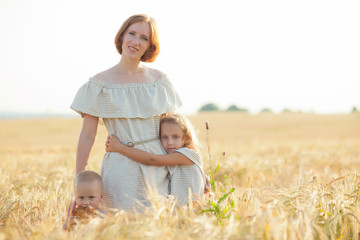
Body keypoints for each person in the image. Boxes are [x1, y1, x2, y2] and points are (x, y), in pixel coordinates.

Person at [70, 14, 182, 212]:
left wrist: (193, 167)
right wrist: (79, 181)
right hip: (119, 170)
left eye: (144, 38)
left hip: (158, 167)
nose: (136, 42)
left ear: (150, 46)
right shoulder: (99, 84)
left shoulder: (159, 81)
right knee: (120, 227)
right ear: (122, 36)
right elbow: (87, 136)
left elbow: (176, 130)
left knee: (158, 226)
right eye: (132, 33)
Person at [106, 112, 206, 205]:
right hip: (179, 209)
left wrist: (120, 148)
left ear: (186, 138)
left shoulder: (186, 154)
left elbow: (152, 160)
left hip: (191, 207)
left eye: (175, 137)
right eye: (165, 137)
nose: (170, 142)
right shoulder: (176, 156)